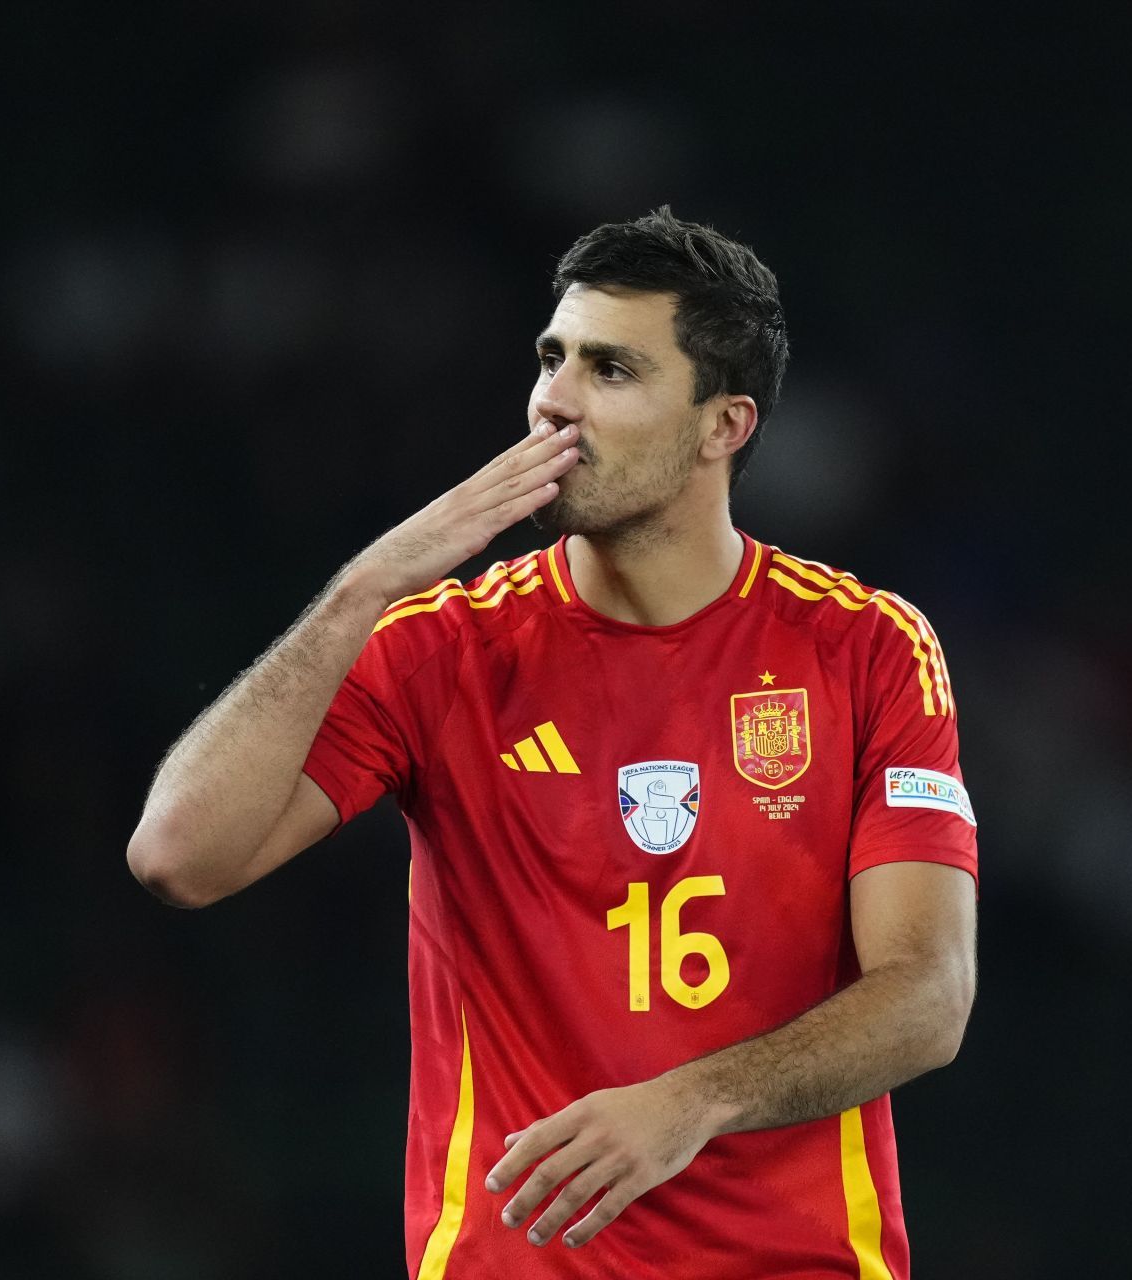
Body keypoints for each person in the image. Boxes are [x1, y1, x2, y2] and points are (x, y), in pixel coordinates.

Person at [126, 207, 977, 1279]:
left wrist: (691, 1100)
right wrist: (361, 590)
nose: (553, 403)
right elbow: (177, 854)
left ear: (725, 425)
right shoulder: (441, 646)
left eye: (611, 370)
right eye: (551, 358)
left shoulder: (862, 647)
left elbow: (928, 995)